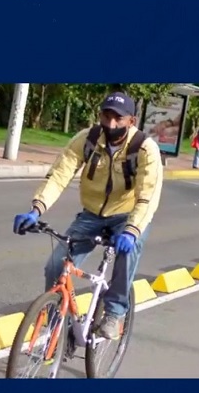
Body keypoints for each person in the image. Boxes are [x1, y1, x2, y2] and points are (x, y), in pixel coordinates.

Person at [13, 91, 164, 340]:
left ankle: (114, 313)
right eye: (107, 116)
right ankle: (56, 327)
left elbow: (148, 195)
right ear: (100, 115)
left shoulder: (145, 149)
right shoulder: (88, 139)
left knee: (129, 251)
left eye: (119, 118)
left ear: (131, 121)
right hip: (92, 215)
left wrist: (132, 230)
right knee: (55, 266)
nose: (112, 123)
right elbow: (60, 174)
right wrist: (36, 209)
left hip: (127, 216)